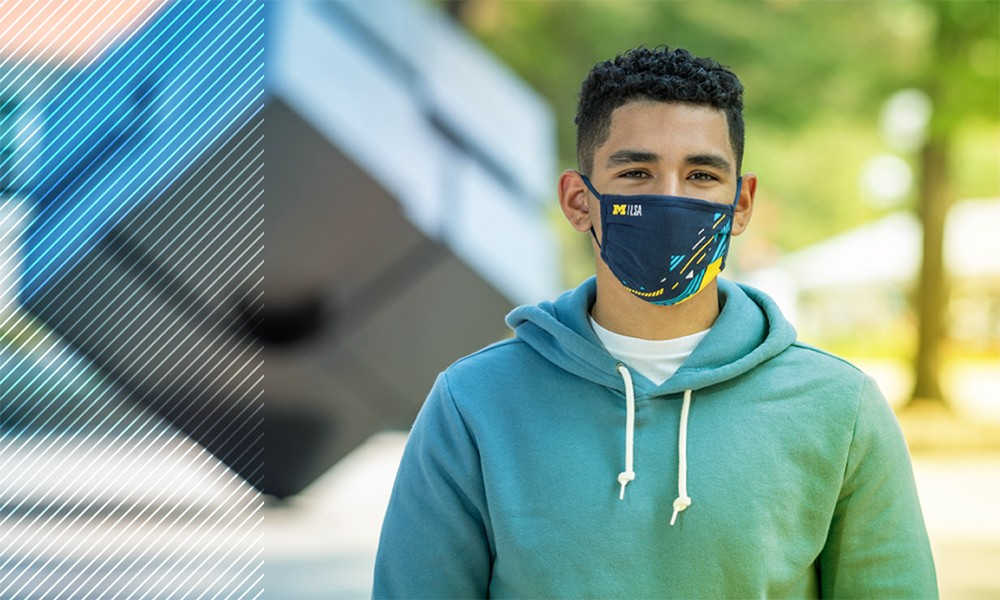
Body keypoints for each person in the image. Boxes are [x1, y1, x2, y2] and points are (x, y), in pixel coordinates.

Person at [373, 45, 937, 598]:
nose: (671, 198)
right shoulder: (473, 403)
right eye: (638, 172)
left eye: (701, 176)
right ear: (578, 200)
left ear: (741, 204)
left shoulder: (840, 407)